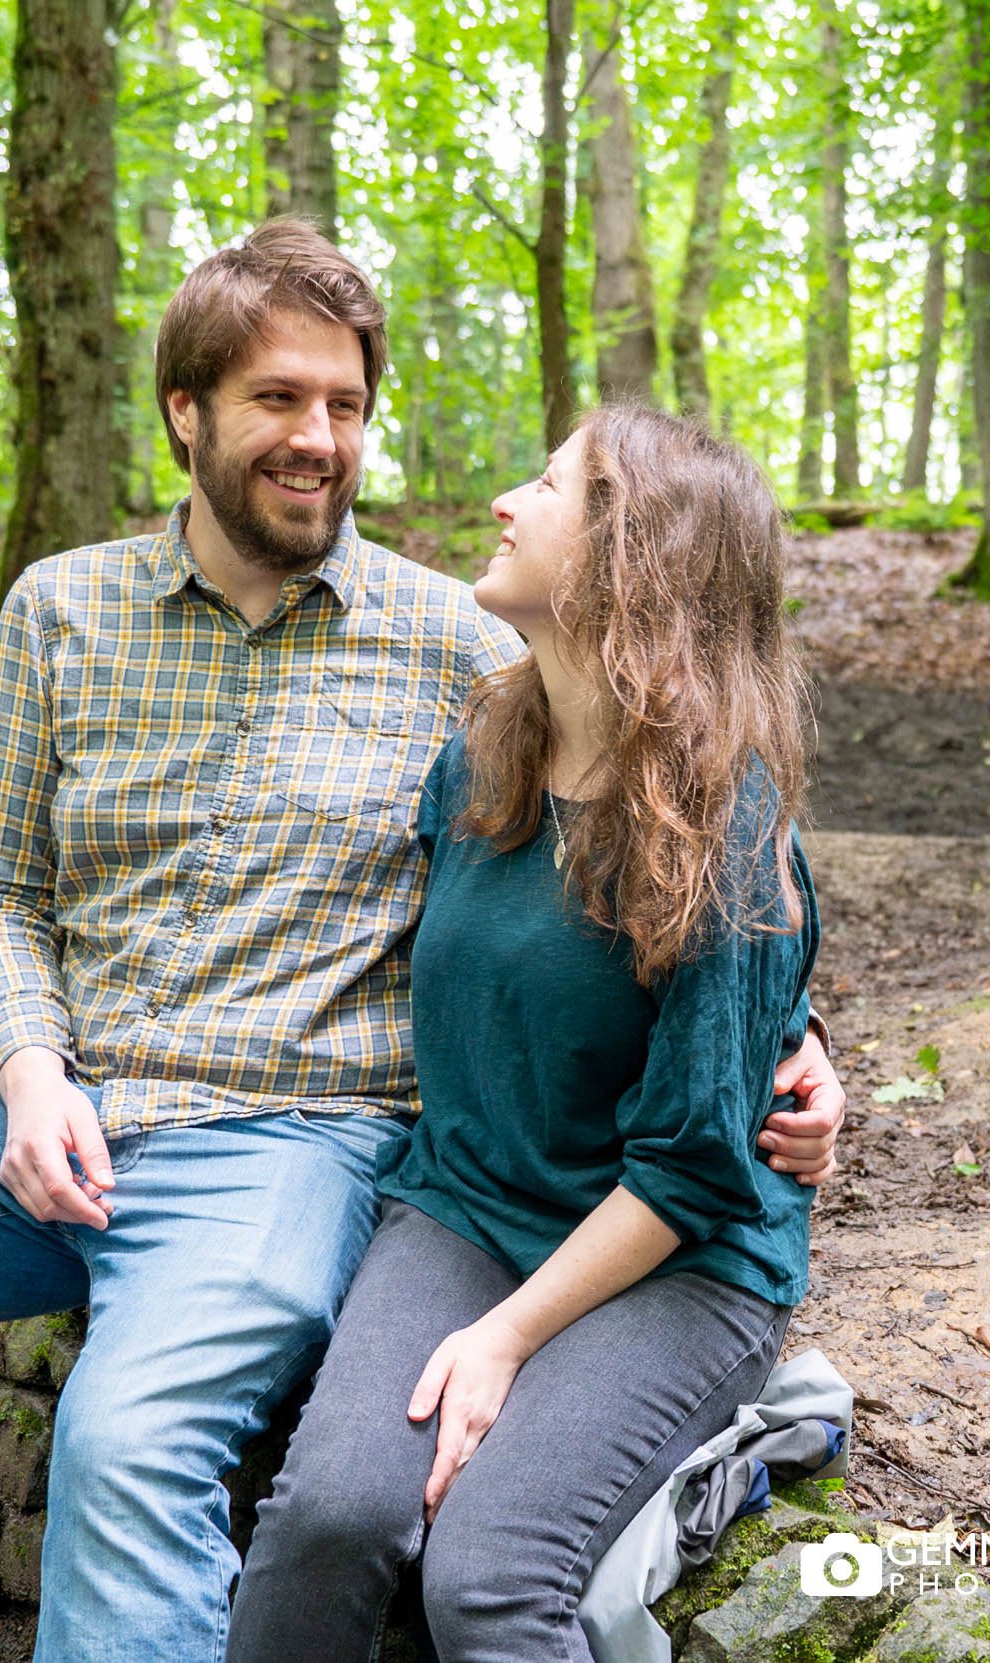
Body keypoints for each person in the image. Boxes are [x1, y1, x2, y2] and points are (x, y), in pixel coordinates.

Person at [0, 222, 846, 1663]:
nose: (320, 438)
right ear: (187, 412)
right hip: (54, 1098)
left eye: (344, 405)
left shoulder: (467, 640)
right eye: (280, 398)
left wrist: (801, 1048)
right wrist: (28, 1069)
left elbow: (684, 841)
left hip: (288, 1133)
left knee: (127, 1434)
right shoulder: (59, 611)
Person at [225, 405, 820, 1663]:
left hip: (676, 1254)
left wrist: (503, 1340)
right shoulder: (485, 752)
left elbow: (689, 1162)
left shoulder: (730, 823)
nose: (504, 498)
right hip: (466, 1205)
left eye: (551, 485)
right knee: (330, 1515)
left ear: (634, 558)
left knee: (489, 1575)